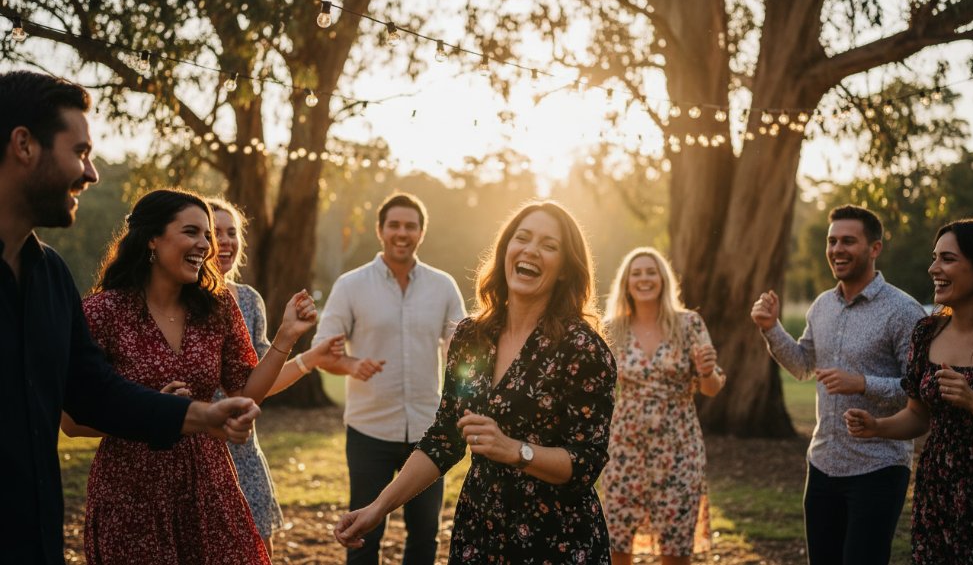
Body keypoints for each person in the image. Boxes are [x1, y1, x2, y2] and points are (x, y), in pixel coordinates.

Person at [0, 70, 259, 565]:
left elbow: (93, 391)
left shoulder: (49, 276)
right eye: (79, 152)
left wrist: (202, 415)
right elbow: (78, 420)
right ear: (23, 145)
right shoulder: (105, 308)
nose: (92, 173)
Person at [334, 200, 619, 563]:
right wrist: (377, 509)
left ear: (564, 269)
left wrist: (515, 450)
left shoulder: (583, 349)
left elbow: (586, 463)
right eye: (523, 238)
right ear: (506, 251)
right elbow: (444, 439)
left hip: (556, 541)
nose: (531, 249)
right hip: (480, 533)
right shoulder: (472, 336)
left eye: (549, 245)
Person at [59, 189, 317, 564]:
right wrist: (155, 412)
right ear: (152, 238)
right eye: (192, 232)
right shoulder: (103, 313)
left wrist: (286, 335)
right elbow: (72, 421)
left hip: (209, 484)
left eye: (208, 235)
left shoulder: (217, 308)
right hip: (132, 492)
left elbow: (245, 390)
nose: (206, 245)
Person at [749, 204, 923, 565]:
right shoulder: (821, 306)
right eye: (832, 241)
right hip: (823, 464)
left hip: (879, 468)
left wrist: (862, 383)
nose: (837, 249)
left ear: (874, 248)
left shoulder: (903, 311)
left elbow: (919, 390)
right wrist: (771, 328)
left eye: (848, 241)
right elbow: (801, 365)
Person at [845, 219, 973, 564]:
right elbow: (917, 415)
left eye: (948, 259)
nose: (933, 268)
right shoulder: (927, 332)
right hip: (937, 495)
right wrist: (878, 426)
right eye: (934, 257)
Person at [313, 191, 467, 564]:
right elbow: (321, 350)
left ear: (421, 232)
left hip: (428, 435)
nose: (402, 232)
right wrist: (351, 365)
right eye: (394, 225)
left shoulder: (443, 285)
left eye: (410, 226)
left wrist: (457, 359)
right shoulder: (350, 285)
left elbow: (463, 345)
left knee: (424, 536)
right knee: (363, 535)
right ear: (380, 230)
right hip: (369, 432)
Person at [207, 198, 346, 557]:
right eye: (213, 232)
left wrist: (310, 357)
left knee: (259, 550)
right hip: (196, 445)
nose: (225, 241)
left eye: (232, 232)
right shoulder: (176, 299)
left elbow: (258, 385)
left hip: (242, 451)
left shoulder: (249, 301)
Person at [602, 247, 725, 565]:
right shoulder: (611, 329)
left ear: (663, 279)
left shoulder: (689, 324)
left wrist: (707, 371)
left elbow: (712, 388)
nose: (644, 278)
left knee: (675, 547)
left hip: (679, 450)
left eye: (651, 272)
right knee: (616, 542)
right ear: (626, 282)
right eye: (637, 273)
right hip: (624, 450)